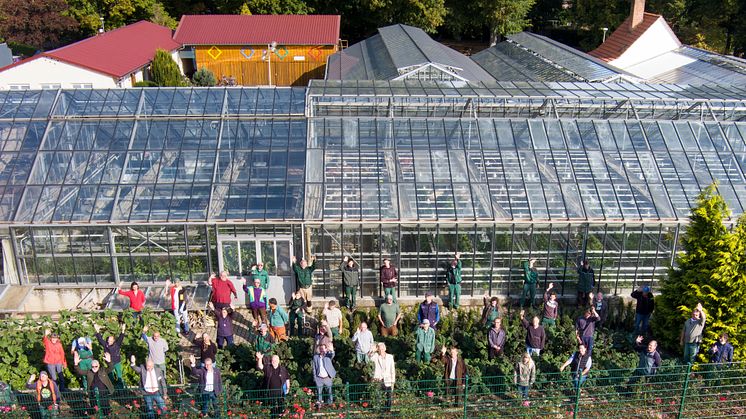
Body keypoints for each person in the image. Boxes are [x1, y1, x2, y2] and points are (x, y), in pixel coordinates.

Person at [74, 352, 114, 416]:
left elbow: (111, 368)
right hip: (93, 393)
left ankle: (107, 414)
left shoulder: (103, 370)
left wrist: (109, 361)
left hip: (103, 393)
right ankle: (95, 414)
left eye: (96, 366)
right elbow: (80, 371)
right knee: (95, 409)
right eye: (93, 366)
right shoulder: (89, 372)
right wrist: (76, 364)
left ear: (99, 366)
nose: (94, 367)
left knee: (106, 408)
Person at [130, 355, 168, 419]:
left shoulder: (158, 370)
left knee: (162, 405)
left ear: (153, 365)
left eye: (150, 366)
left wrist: (165, 393)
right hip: (147, 393)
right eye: (147, 366)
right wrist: (133, 363)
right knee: (149, 408)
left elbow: (163, 382)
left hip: (157, 392)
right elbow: (135, 368)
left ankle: (165, 416)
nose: (149, 367)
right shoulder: (143, 369)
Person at [256, 352, 290, 416]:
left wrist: (288, 388)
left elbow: (287, 379)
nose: (274, 361)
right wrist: (260, 359)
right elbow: (260, 366)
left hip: (280, 392)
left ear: (278, 361)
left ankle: (280, 415)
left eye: (275, 360)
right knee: (272, 409)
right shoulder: (267, 367)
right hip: (270, 393)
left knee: (281, 408)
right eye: (273, 360)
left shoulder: (283, 369)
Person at [369, 342, 395, 411]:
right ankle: (378, 408)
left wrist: (393, 381)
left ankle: (388, 410)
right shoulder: (376, 356)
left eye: (382, 349)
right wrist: (373, 350)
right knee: (378, 395)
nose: (381, 350)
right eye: (379, 349)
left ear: (385, 348)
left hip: (388, 379)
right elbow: (370, 357)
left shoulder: (390, 357)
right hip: (378, 379)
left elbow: (392, 369)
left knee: (388, 395)